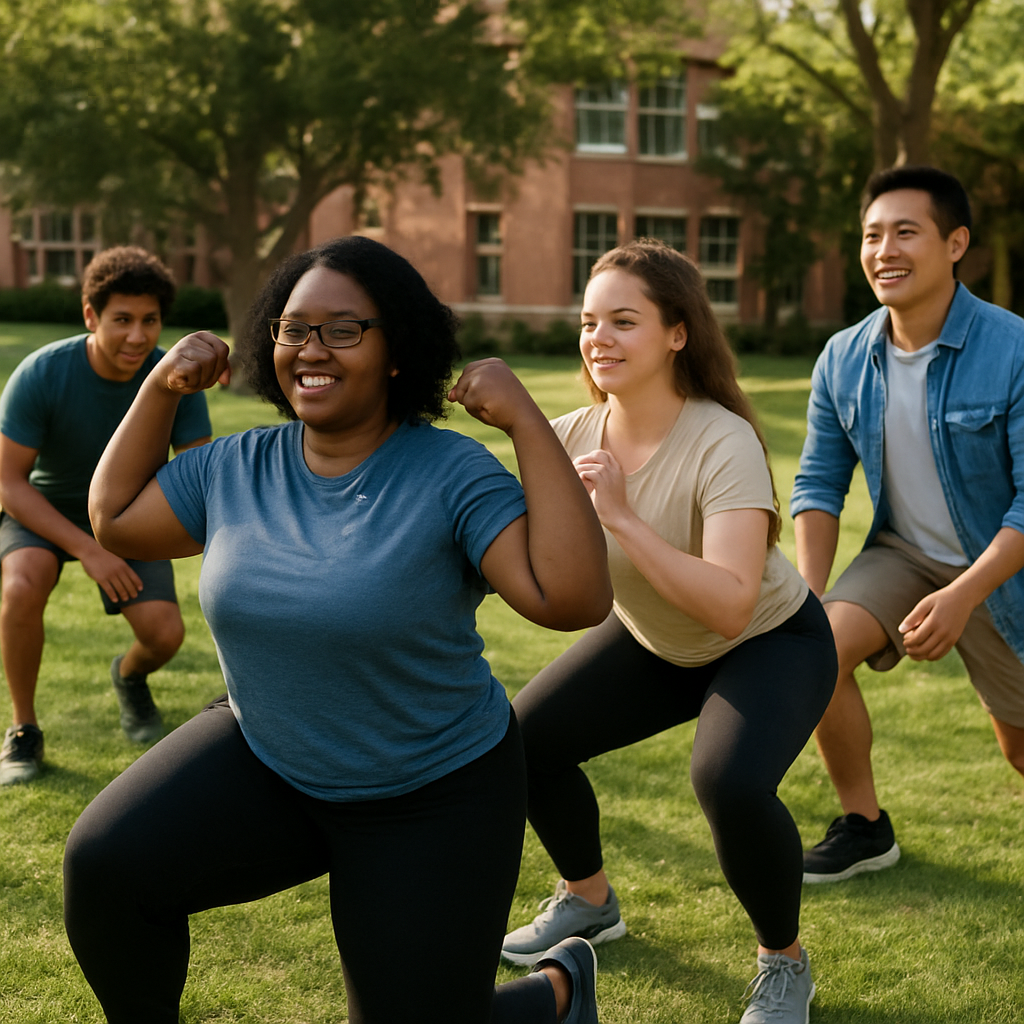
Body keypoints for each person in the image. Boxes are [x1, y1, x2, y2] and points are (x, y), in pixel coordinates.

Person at [63, 235, 613, 1024]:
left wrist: (526, 421)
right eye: (293, 329)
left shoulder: (450, 474)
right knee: (108, 866)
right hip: (271, 753)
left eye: (343, 329)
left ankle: (554, 996)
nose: (310, 349)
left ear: (398, 352)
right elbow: (114, 519)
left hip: (433, 791)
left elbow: (571, 597)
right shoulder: (236, 467)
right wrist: (161, 387)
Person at [499, 240, 837, 1024]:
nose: (598, 338)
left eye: (624, 320)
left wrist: (618, 513)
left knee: (729, 781)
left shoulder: (723, 439)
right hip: (654, 642)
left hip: (768, 640)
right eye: (590, 321)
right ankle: (588, 900)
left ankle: (784, 963)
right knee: (523, 739)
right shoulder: (567, 435)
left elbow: (726, 603)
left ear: (677, 332)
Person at [790, 166, 1024, 883]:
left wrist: (964, 596)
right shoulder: (843, 357)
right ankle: (865, 827)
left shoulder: (1013, 346)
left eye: (905, 232)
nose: (884, 249)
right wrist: (803, 599)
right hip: (904, 553)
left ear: (956, 244)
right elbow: (819, 483)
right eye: (871, 235)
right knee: (815, 652)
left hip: (1001, 567)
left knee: (1019, 749)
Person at [0, 246, 212, 786]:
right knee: (22, 586)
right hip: (45, 512)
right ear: (91, 316)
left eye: (150, 321)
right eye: (122, 320)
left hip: (128, 513)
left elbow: (197, 477)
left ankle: (129, 676)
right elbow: (7, 482)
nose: (138, 337)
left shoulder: (176, 378)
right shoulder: (42, 374)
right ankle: (23, 728)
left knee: (165, 636)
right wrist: (88, 549)